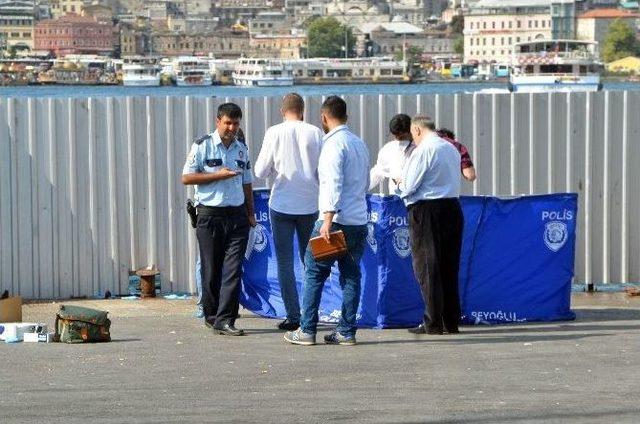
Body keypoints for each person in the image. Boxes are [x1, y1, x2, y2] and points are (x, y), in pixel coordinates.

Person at [284, 96, 370, 346]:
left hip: (334, 222)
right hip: (357, 220)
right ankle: (346, 331)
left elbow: (332, 182)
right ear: (346, 115)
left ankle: (307, 329)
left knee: (314, 273)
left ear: (323, 117)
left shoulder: (332, 145)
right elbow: (364, 183)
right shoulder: (358, 143)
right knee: (352, 276)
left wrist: (328, 219)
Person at [182, 103, 256, 336]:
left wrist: (250, 212)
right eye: (228, 123)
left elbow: (247, 183)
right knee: (211, 269)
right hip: (209, 215)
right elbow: (186, 177)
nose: (231, 128)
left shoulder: (241, 148)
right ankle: (212, 314)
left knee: (233, 269)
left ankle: (226, 318)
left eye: (235, 124)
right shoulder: (202, 145)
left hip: (236, 216)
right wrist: (217, 175)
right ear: (218, 121)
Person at [254, 93, 324, 331]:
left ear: (282, 111)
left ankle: (293, 315)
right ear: (302, 111)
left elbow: (260, 170)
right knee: (311, 263)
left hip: (281, 204)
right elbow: (323, 172)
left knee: (284, 263)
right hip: (310, 205)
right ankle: (311, 315)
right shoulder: (315, 132)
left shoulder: (273, 132)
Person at [399, 115, 464, 335]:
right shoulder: (451, 149)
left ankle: (432, 321)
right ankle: (450, 320)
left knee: (427, 267)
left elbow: (409, 186)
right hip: (452, 208)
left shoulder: (423, 150)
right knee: (449, 267)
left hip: (427, 210)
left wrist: (399, 183)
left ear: (416, 130)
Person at [369, 113, 415, 194]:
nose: (400, 141)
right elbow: (378, 172)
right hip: (396, 201)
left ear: (411, 131)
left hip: (418, 201)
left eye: (402, 137)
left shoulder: (421, 149)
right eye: (396, 137)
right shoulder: (388, 149)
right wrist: (361, 190)